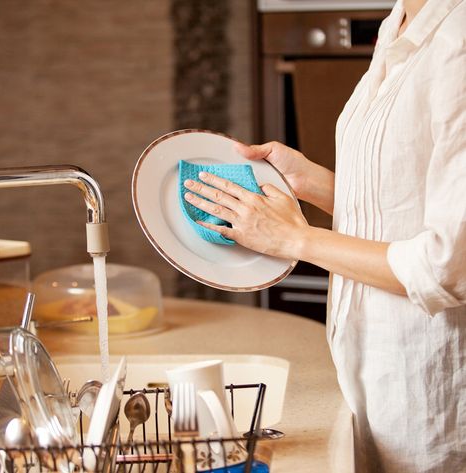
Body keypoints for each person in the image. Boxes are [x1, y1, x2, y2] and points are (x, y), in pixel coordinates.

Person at [182, 0, 466, 471]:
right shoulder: (402, 20)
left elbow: (449, 265)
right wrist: (314, 184)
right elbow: (409, 208)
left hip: (432, 401)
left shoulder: (457, 36)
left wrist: (295, 239)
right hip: (372, 380)